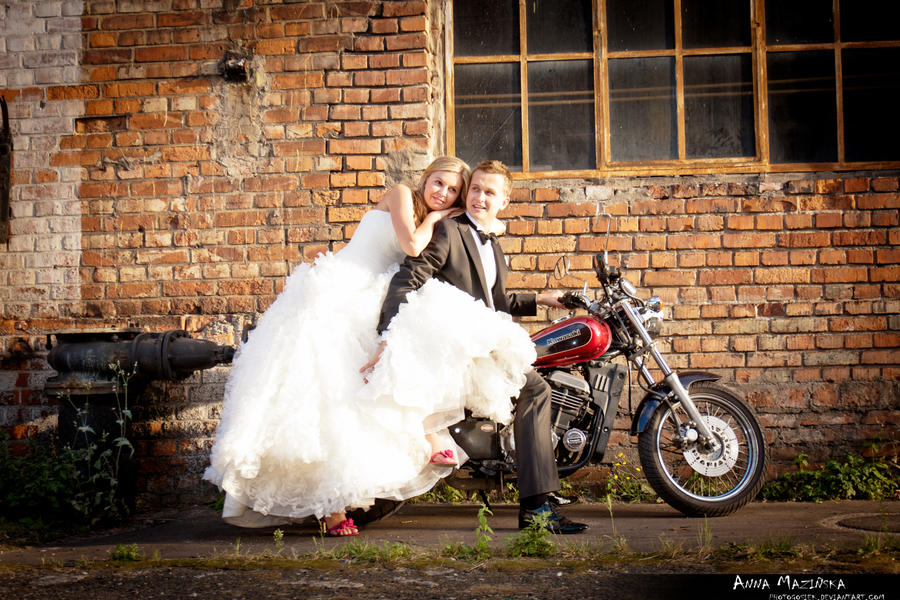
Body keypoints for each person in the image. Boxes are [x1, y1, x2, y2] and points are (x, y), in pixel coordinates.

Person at [203, 156, 534, 537]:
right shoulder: (401, 196)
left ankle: (411, 441)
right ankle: (331, 506)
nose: (443, 193)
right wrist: (436, 219)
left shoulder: (435, 221)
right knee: (324, 395)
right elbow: (409, 245)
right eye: (439, 183)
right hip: (340, 292)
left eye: (453, 190)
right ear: (425, 178)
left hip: (368, 296)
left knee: (367, 391)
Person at [369, 160, 589, 534]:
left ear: (504, 200)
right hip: (452, 344)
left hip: (478, 335)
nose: (480, 198)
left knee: (534, 383)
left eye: (490, 192)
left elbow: (494, 301)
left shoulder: (493, 245)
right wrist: (386, 338)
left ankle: (538, 495)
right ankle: (536, 507)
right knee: (535, 389)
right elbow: (406, 281)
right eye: (475, 189)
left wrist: (543, 299)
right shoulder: (449, 231)